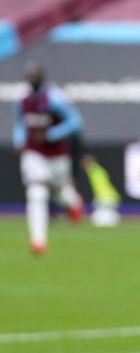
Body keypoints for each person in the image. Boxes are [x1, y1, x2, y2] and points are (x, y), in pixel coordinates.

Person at [12, 61, 85, 256]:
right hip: (34, 153)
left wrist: (52, 134)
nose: (32, 81)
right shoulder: (23, 100)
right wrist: (19, 140)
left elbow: (75, 122)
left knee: (59, 192)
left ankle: (74, 203)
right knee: (36, 192)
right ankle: (38, 241)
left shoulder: (54, 98)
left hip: (57, 156)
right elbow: (20, 122)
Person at [81, 154, 122, 227]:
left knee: (99, 220)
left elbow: (102, 186)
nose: (84, 167)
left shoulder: (95, 172)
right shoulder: (97, 171)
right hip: (107, 196)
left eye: (85, 164)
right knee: (97, 219)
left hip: (107, 197)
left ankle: (113, 217)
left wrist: (101, 198)